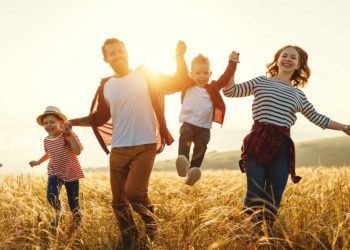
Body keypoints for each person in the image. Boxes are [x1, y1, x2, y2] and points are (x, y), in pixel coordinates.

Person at [63, 38, 188, 247]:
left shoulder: (146, 76)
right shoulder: (107, 86)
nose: (117, 55)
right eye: (112, 53)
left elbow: (179, 82)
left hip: (144, 145)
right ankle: (129, 240)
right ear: (105, 58)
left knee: (135, 194)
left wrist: (179, 56)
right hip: (119, 149)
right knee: (118, 202)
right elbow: (99, 117)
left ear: (127, 52)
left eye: (120, 51)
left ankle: (151, 227)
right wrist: (73, 122)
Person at [223, 45, 350, 225]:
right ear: (277, 60)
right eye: (284, 55)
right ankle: (250, 234)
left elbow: (317, 118)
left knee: (274, 195)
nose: (288, 59)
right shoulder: (261, 81)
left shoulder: (298, 95)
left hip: (282, 147)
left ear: (299, 65)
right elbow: (230, 91)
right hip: (257, 140)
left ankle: (265, 235)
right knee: (255, 193)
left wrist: (344, 127)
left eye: (293, 57)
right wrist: (232, 65)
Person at [175, 43, 239, 186]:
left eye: (205, 73)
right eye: (198, 73)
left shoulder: (213, 88)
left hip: (204, 127)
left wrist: (232, 62)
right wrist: (179, 54)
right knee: (185, 135)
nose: (202, 76)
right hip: (189, 123)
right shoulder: (188, 84)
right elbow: (181, 69)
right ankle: (183, 162)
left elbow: (226, 76)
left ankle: (194, 170)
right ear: (191, 74)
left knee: (201, 144)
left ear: (210, 74)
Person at [29, 106, 84, 227]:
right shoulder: (46, 140)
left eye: (52, 122)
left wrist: (70, 135)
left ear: (61, 122)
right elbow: (49, 153)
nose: (48, 125)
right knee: (51, 195)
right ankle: (59, 211)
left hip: (71, 172)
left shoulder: (67, 135)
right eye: (45, 123)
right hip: (55, 172)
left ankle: (78, 225)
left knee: (74, 202)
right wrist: (38, 162)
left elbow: (77, 151)